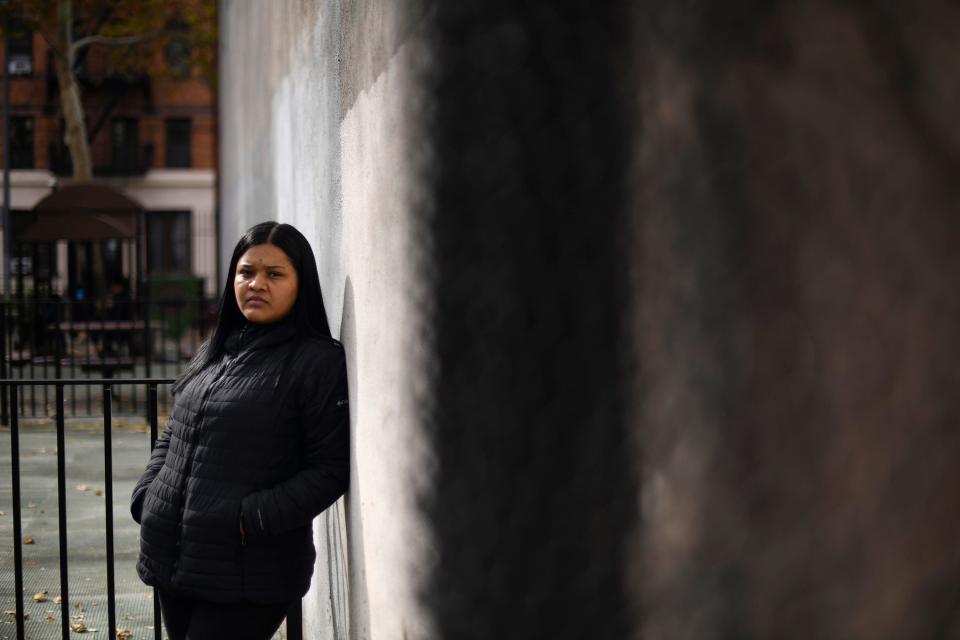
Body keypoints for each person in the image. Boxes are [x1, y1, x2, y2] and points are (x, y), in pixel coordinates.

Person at [130, 221, 349, 640]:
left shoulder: (316, 362)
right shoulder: (216, 351)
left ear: (300, 283)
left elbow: (329, 470)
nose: (257, 284)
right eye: (246, 272)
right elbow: (174, 431)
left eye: (275, 274)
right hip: (176, 560)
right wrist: (149, 494)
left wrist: (249, 519)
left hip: (251, 572)